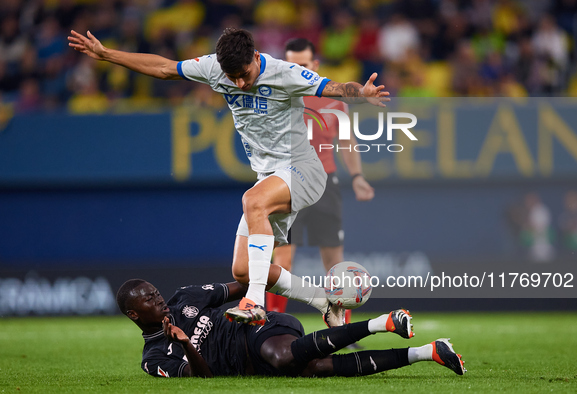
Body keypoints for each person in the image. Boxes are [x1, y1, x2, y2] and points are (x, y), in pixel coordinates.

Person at [69, 28, 390, 326]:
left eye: (244, 75)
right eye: (231, 77)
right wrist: (108, 54)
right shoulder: (214, 68)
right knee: (243, 269)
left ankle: (254, 303)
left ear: (255, 57)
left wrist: (361, 91)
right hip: (269, 175)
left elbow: (333, 87)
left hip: (304, 169)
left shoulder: (285, 73)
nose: (238, 84)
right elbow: (165, 68)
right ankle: (325, 303)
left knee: (253, 200)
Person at [117, 278, 466, 378]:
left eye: (154, 291)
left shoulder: (184, 298)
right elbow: (203, 379)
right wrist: (186, 344)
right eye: (148, 298)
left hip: (259, 330)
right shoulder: (154, 358)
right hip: (251, 367)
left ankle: (382, 323)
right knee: (317, 368)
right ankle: (427, 352)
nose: (157, 297)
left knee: (284, 357)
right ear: (134, 314)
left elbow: (248, 283)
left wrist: (255, 295)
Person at [267, 38, 375, 322]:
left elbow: (347, 142)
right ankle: (271, 324)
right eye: (290, 64)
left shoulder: (333, 100)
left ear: (314, 65)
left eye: (301, 65)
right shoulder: (277, 95)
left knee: (334, 263)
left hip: (325, 183)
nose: (295, 69)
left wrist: (357, 176)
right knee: (283, 259)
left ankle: (342, 330)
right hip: (288, 182)